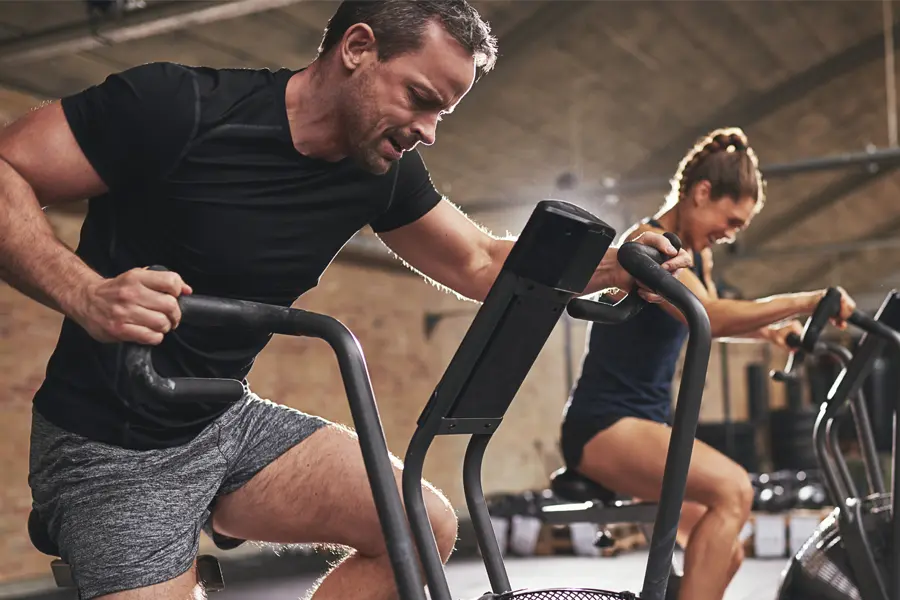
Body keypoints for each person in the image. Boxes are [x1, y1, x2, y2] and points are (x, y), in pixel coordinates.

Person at [0, 2, 692, 599]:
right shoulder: (178, 108)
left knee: (422, 523)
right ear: (357, 49)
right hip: (108, 446)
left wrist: (614, 265)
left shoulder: (379, 170)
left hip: (222, 421)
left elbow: (479, 260)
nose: (428, 130)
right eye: (420, 97)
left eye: (443, 113)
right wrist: (85, 292)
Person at [559, 127, 857, 600]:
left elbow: (707, 315)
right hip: (606, 424)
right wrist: (805, 299)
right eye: (732, 219)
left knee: (726, 551)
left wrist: (771, 332)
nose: (732, 233)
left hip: (645, 424)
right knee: (735, 491)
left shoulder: (696, 256)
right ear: (701, 193)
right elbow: (710, 318)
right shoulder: (649, 243)